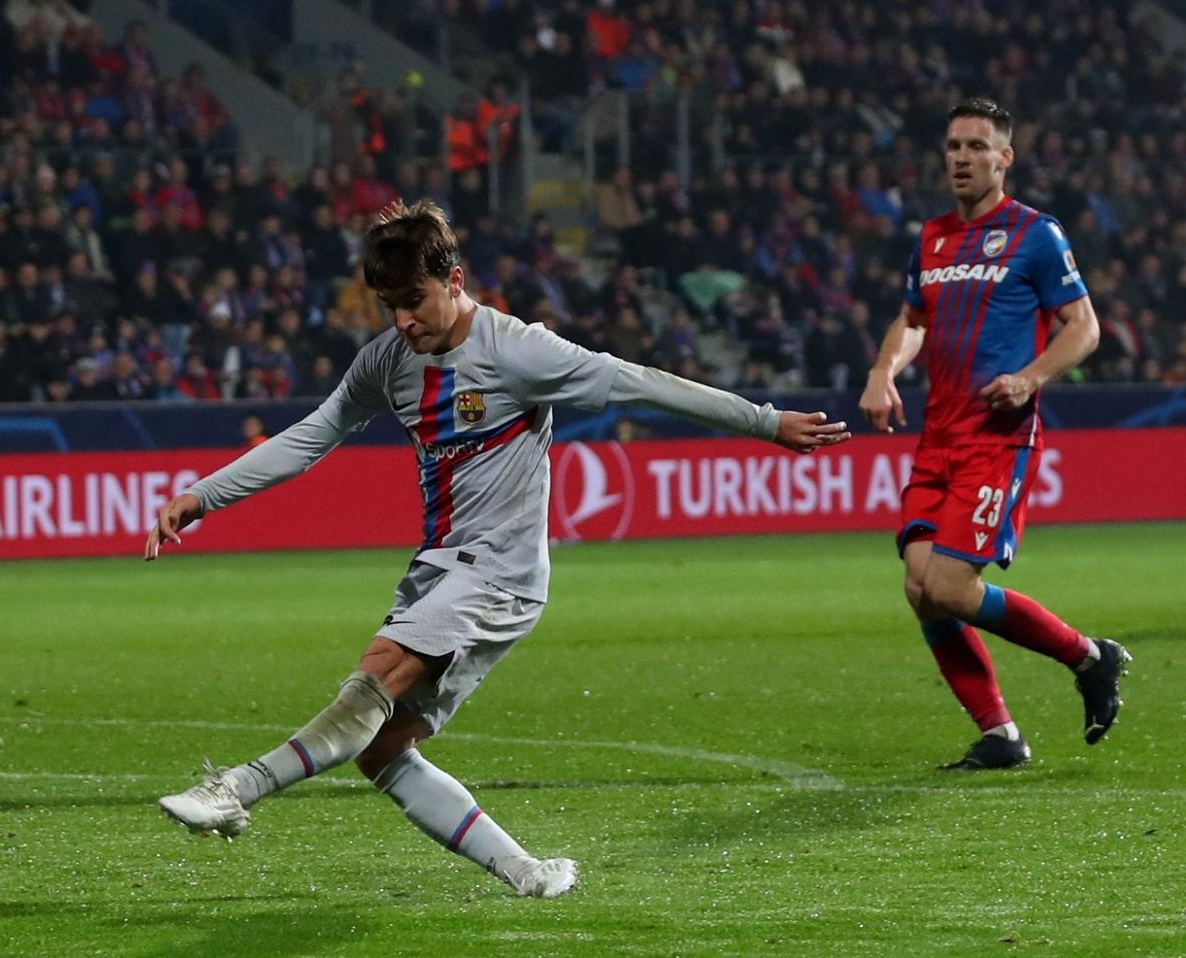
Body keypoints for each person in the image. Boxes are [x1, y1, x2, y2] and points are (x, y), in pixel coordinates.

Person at [144, 200, 847, 897]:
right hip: (440, 570)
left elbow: (638, 383)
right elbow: (310, 436)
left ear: (454, 280)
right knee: (383, 748)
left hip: (500, 575)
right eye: (388, 305)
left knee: (379, 670)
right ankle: (529, 871)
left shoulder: (517, 351)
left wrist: (765, 421)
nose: (402, 321)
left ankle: (238, 787)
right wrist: (203, 495)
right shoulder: (388, 362)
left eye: (413, 301)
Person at [859, 98, 1126, 771]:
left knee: (949, 587)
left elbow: (1084, 327)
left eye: (977, 146)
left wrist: (1031, 378)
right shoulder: (933, 238)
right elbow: (913, 321)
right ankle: (1001, 733)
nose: (961, 157)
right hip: (938, 439)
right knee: (920, 586)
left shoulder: (1037, 234)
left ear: (1004, 158)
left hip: (995, 438)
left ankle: (1089, 656)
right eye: (953, 146)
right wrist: (884, 370)